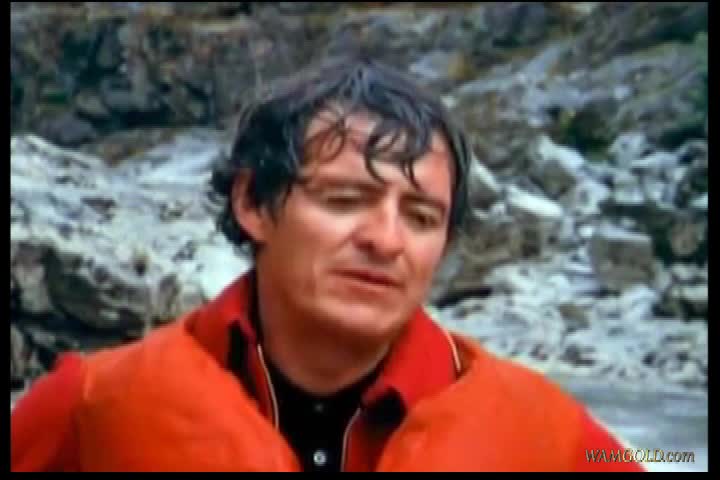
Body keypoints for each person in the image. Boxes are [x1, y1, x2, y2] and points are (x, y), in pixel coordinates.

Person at [11, 54, 644, 472]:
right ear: (253, 203)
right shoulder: (93, 403)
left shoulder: (542, 429)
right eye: (345, 200)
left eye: (421, 217)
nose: (386, 240)